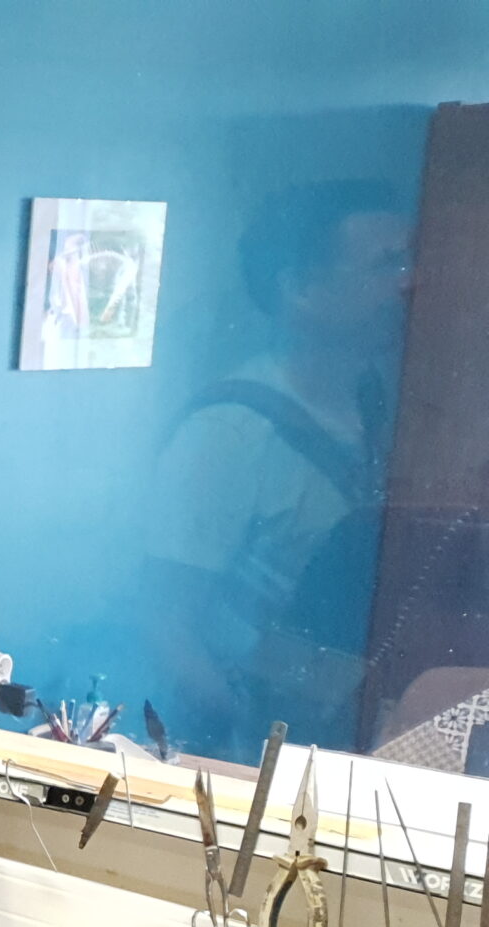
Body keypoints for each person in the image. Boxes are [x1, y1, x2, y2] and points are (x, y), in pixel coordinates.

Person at [145, 179, 410, 761]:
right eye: (387, 264)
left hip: (348, 727)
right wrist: (251, 743)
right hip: (259, 744)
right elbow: (170, 629)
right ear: (300, 289)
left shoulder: (379, 400)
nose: (410, 283)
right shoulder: (227, 433)